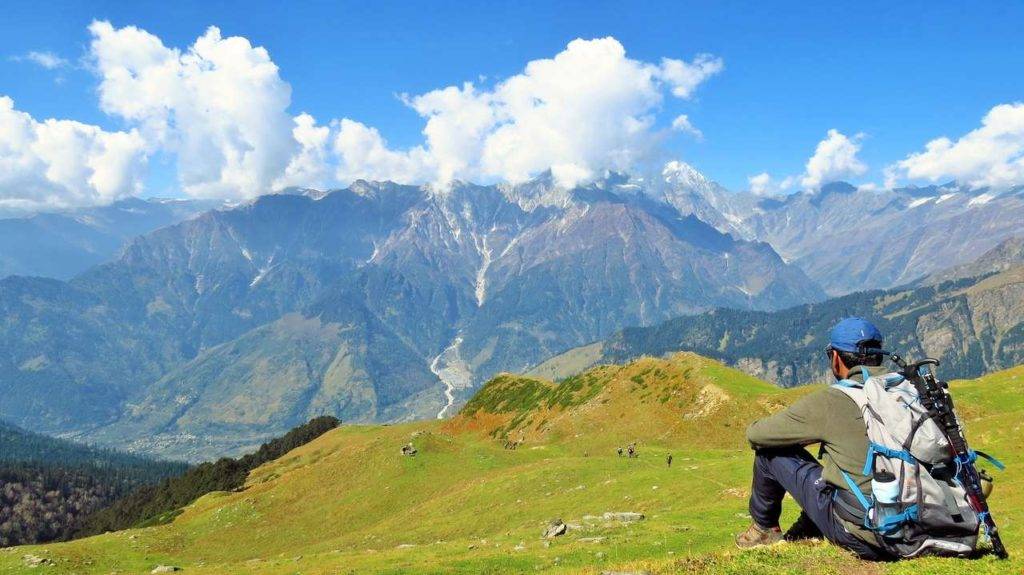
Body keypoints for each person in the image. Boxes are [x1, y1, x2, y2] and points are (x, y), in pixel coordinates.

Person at [734, 317, 892, 561]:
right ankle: (806, 530)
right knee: (839, 474)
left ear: (836, 358)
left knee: (769, 453)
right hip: (932, 524)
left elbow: (757, 435)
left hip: (868, 536)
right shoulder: (914, 393)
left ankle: (763, 531)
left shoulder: (834, 400)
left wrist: (799, 438)